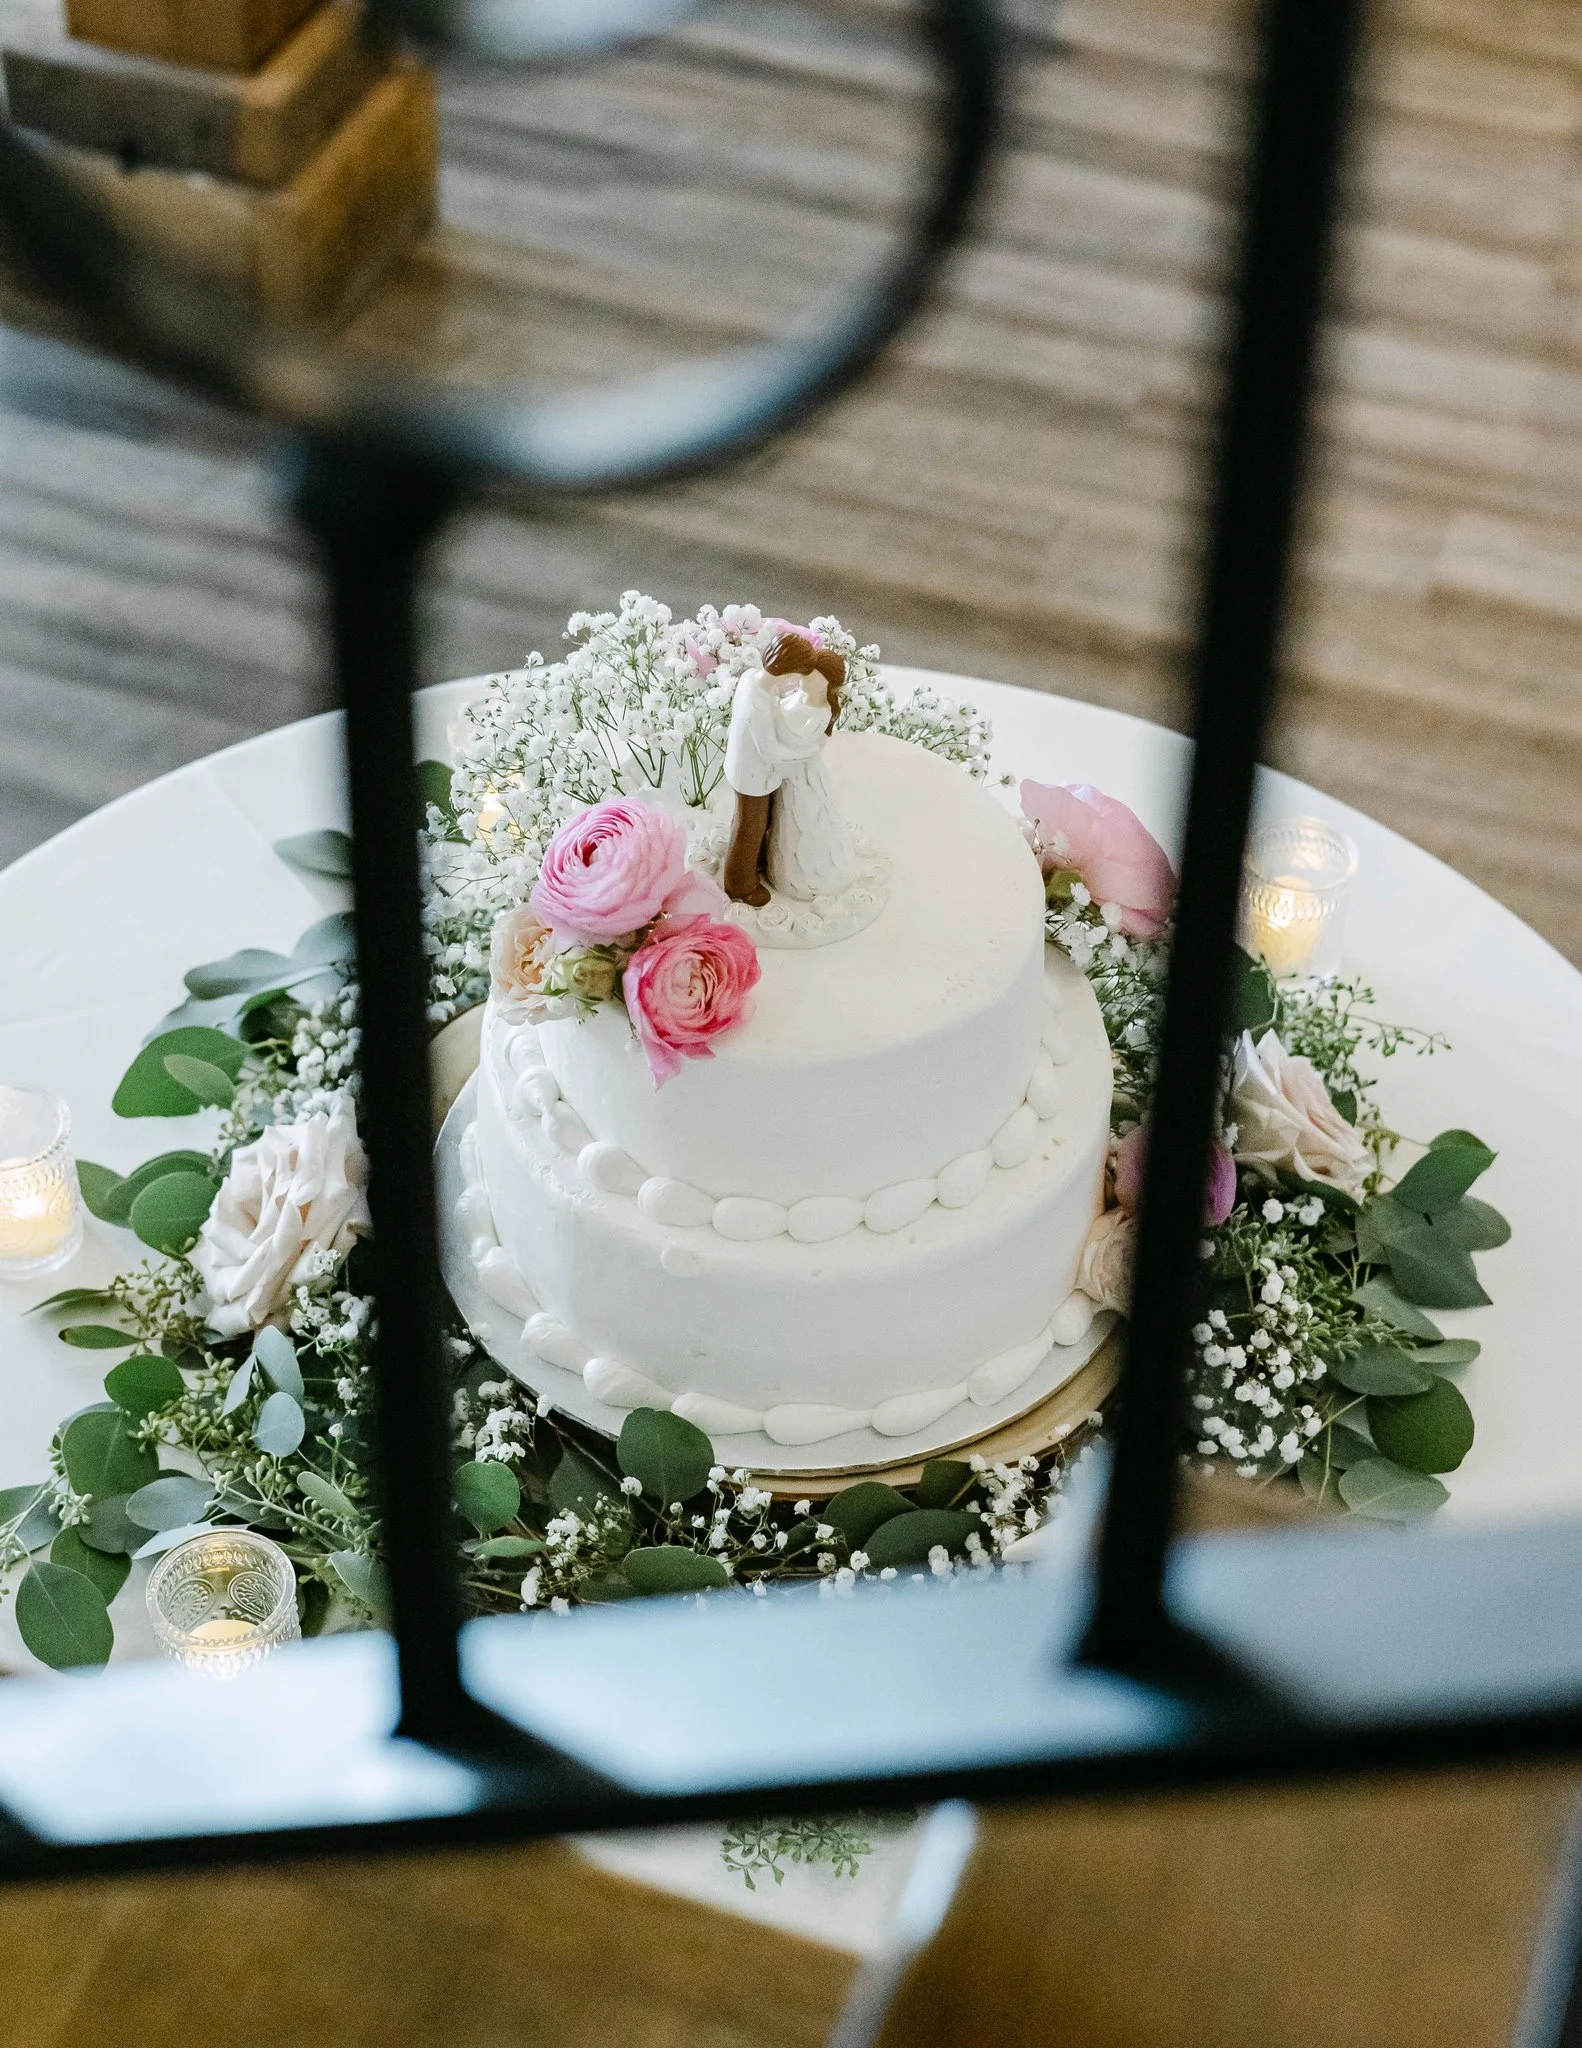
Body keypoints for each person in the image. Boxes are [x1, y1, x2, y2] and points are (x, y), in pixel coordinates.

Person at [722, 630, 853, 905]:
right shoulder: (759, 702)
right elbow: (770, 751)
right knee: (750, 827)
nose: (799, 680)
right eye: (798, 674)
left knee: (760, 823)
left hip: (757, 771)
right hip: (753, 775)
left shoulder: (752, 681)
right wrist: (809, 751)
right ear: (786, 671)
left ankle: (757, 861)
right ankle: (740, 885)